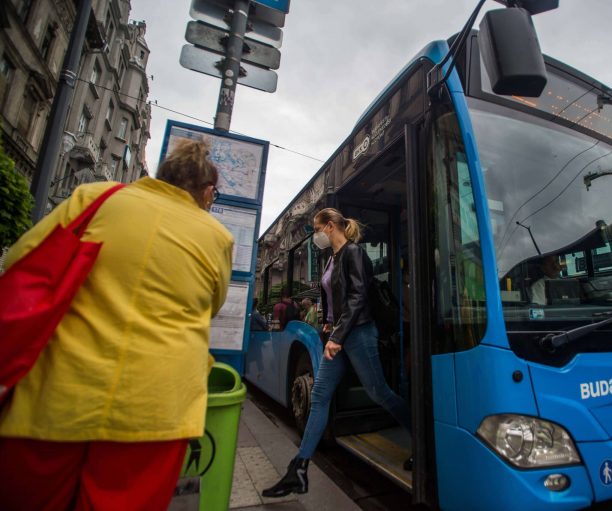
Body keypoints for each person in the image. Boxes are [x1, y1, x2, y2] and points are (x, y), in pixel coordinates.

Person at [0, 139, 234, 511]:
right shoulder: (217, 236)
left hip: (55, 397)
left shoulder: (95, 198)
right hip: (156, 411)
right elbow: (211, 305)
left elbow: (19, 261)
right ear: (207, 192)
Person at [262, 208, 411, 498]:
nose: (314, 236)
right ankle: (299, 470)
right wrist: (329, 325)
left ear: (330, 227)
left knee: (379, 391)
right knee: (319, 397)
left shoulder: (353, 252)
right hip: (339, 335)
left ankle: (422, 438)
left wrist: (337, 335)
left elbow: (358, 298)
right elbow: (336, 300)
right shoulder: (331, 258)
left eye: (316, 229)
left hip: (359, 334)